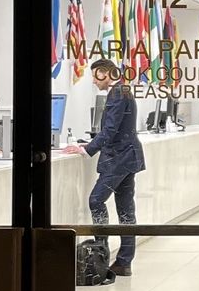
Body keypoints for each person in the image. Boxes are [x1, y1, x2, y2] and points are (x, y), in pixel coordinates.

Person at [61, 60, 144, 278]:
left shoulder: (117, 93)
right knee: (126, 209)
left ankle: (101, 254)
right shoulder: (122, 90)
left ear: (106, 73)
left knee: (96, 201)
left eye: (96, 77)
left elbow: (109, 131)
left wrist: (86, 149)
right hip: (128, 157)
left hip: (118, 158)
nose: (94, 82)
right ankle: (124, 261)